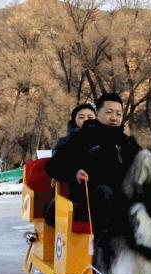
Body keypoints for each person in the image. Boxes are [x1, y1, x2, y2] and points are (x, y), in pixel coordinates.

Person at [46, 93, 140, 237]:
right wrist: (74, 172)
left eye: (118, 114)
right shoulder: (80, 138)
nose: (114, 118)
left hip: (122, 201)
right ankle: (105, 249)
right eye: (109, 112)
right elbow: (54, 165)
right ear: (97, 114)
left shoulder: (127, 143)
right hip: (89, 203)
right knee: (104, 193)